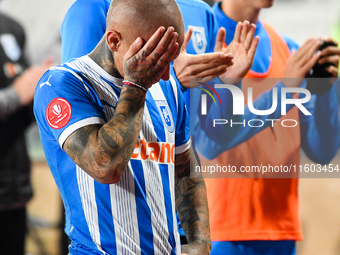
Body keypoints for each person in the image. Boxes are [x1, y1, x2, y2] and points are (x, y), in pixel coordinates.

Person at [34, 0, 212, 254]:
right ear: (114, 40)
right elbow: (105, 166)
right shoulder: (62, 84)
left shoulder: (167, 87)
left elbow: (185, 171)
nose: (164, 75)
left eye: (169, 59)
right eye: (155, 57)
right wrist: (137, 86)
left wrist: (200, 243)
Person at [195, 0, 340, 254]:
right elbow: (209, 144)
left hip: (281, 233)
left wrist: (326, 91)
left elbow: (323, 152)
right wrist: (286, 90)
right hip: (221, 234)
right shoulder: (201, 43)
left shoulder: (289, 49)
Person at [0, 10, 51, 255]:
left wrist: (43, 91)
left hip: (13, 190)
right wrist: (16, 95)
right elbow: (19, 93)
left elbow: (26, 101)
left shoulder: (12, 28)